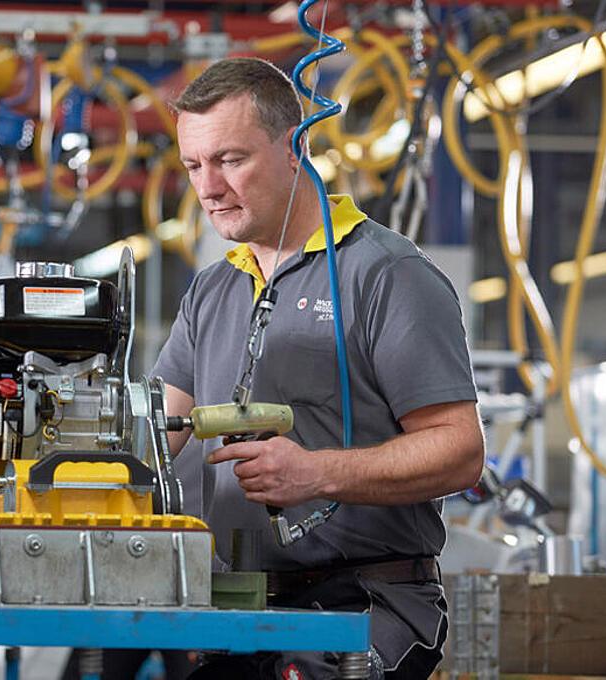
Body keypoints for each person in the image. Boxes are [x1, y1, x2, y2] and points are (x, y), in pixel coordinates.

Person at [154, 57, 487, 679]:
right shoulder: (213, 290)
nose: (209, 188)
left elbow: (460, 451)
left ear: (295, 147)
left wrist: (315, 473)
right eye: (193, 165)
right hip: (239, 607)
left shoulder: (385, 275)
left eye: (230, 160)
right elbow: (158, 434)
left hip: (362, 605)